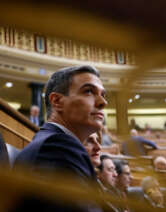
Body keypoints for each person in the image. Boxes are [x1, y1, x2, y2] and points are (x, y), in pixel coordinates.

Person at [14, 65, 107, 212]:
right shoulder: (56, 146)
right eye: (89, 91)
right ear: (57, 101)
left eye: (103, 94)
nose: (103, 102)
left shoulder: (53, 142)